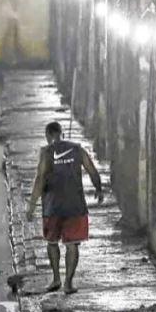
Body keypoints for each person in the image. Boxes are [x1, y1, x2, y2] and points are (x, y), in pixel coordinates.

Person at [25, 121, 103, 294]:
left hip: (52, 206)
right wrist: (99, 189)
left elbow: (40, 179)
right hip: (75, 206)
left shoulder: (46, 153)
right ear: (61, 134)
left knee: (52, 243)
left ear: (47, 135)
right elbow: (92, 170)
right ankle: (68, 282)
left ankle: (55, 279)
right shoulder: (77, 149)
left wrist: (31, 206)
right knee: (72, 245)